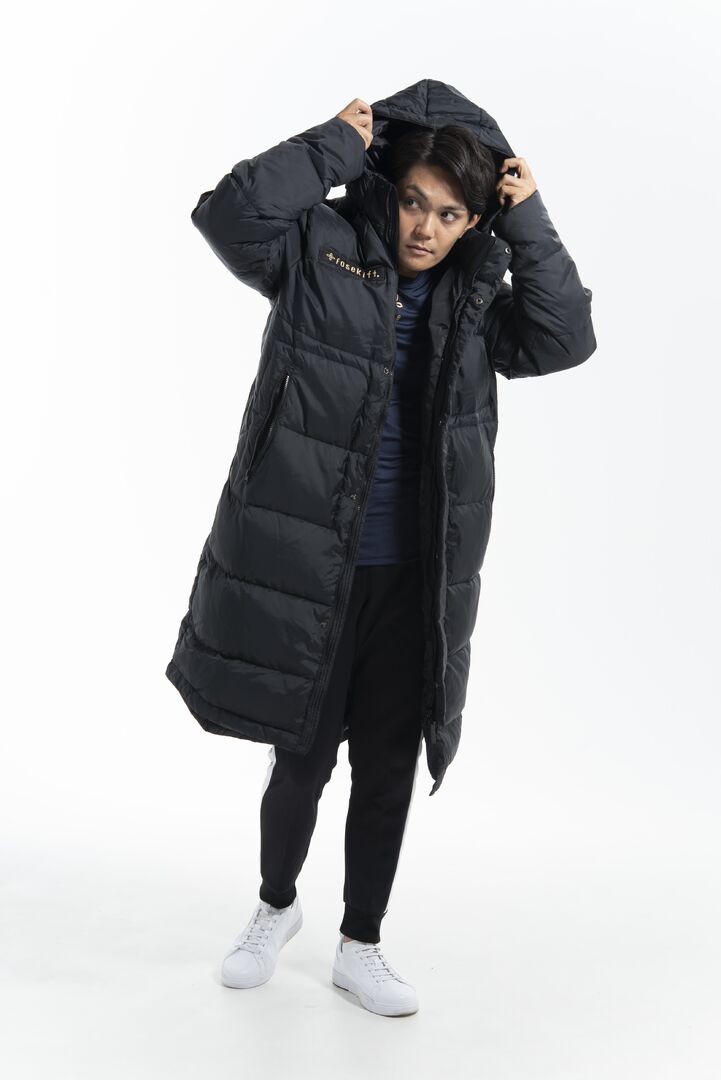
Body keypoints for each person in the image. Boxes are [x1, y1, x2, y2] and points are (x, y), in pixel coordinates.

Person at [166, 80, 596, 1018]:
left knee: (389, 763)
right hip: (311, 564)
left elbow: (565, 339)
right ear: (386, 186)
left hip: (417, 572)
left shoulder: (478, 296)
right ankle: (274, 907)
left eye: (449, 214)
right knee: (301, 755)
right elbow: (227, 217)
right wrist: (331, 144)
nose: (424, 228)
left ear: (472, 219)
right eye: (412, 201)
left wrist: (528, 221)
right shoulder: (315, 249)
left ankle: (360, 944)